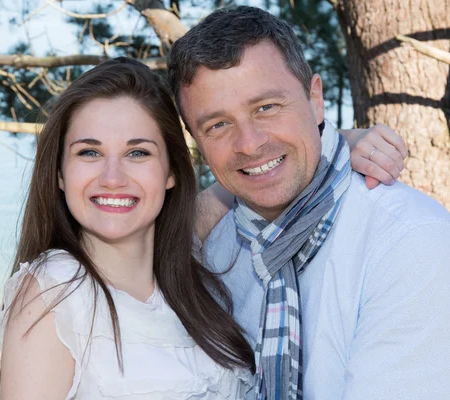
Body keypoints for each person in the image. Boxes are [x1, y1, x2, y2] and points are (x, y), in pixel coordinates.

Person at [0, 60, 407, 398]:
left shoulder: (187, 261)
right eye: (89, 152)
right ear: (60, 175)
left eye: (138, 152)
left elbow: (244, 180)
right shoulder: (55, 292)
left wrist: (334, 144)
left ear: (172, 171)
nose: (113, 177)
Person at [168, 6, 450, 400]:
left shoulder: (409, 242)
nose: (249, 143)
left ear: (314, 99)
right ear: (196, 140)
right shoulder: (210, 255)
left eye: (266, 107)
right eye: (218, 125)